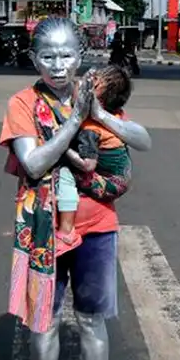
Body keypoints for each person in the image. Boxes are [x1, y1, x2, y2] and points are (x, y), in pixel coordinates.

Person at [0, 17, 151, 360]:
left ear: (80, 57)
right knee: (44, 322)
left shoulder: (94, 94)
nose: (58, 65)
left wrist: (98, 114)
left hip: (96, 227)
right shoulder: (23, 103)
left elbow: (144, 141)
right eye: (47, 56)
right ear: (34, 59)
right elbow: (33, 163)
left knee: (91, 319)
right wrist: (73, 123)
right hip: (43, 230)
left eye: (67, 55)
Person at [55, 64, 134, 256]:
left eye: (89, 83)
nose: (80, 83)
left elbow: (88, 165)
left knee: (64, 174)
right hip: (121, 177)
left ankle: (66, 231)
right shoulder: (114, 117)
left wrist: (62, 147)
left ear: (95, 98)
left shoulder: (91, 129)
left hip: (110, 184)